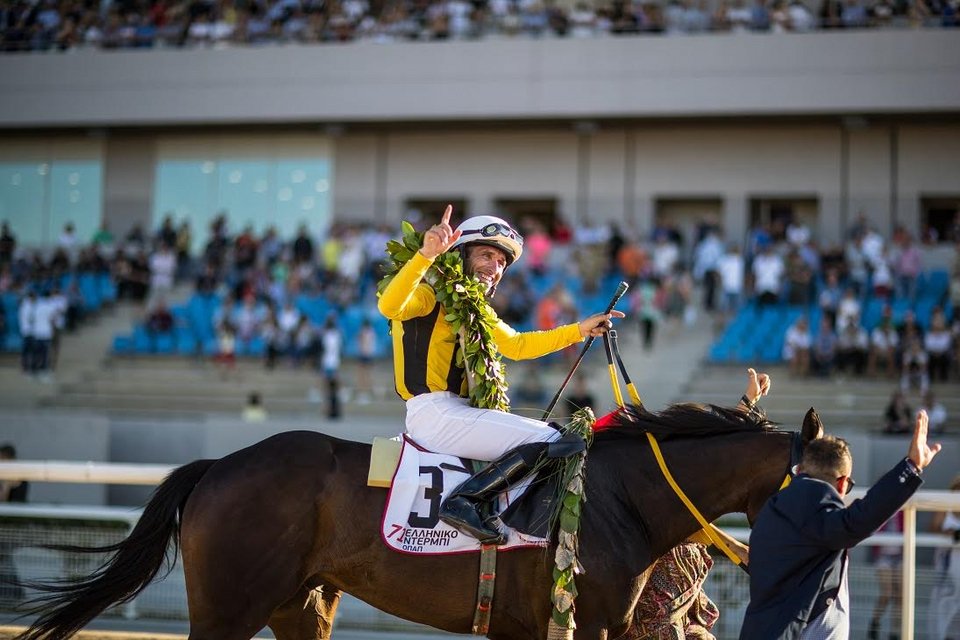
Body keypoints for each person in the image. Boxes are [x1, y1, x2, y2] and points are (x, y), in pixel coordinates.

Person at [377, 206, 623, 545]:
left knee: (553, 436)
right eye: (486, 255)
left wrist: (579, 330)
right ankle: (465, 502)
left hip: (458, 412)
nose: (495, 268)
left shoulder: (476, 309)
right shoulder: (428, 293)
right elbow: (389, 306)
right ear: (460, 255)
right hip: (433, 414)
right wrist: (424, 256)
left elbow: (518, 345)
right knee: (551, 440)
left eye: (501, 263)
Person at [739, 409, 941, 640]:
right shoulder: (813, 504)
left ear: (801, 470)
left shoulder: (773, 507)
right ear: (843, 483)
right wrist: (911, 467)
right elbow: (858, 520)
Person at [928, 474, 960, 640]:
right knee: (941, 604)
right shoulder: (945, 507)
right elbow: (933, 527)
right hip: (945, 567)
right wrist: (947, 533)